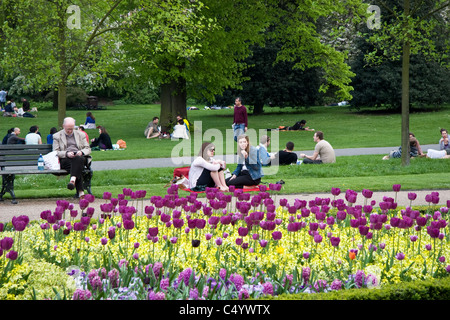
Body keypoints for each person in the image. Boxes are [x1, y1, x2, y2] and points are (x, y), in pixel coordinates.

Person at [53, 117, 91, 198]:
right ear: (63, 126)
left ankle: (73, 180)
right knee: (78, 166)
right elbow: (56, 152)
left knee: (78, 159)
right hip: (66, 159)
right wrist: (66, 153)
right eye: (68, 129)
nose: (70, 131)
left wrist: (81, 152)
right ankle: (80, 192)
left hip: (80, 157)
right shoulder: (57, 136)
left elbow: (87, 148)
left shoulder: (81, 134)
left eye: (72, 128)